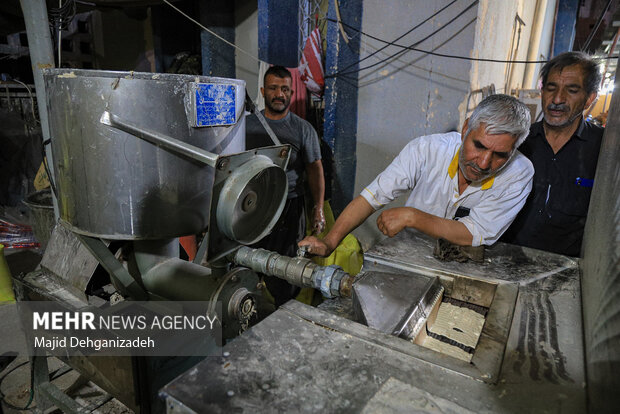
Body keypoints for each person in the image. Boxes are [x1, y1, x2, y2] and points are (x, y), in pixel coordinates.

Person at [299, 94, 533, 257]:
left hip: (466, 265)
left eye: (500, 155)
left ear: (513, 151)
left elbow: (476, 232)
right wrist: (329, 242)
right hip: (408, 256)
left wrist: (413, 217)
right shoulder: (427, 149)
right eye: (479, 146)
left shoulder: (519, 175)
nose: (483, 163)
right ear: (465, 128)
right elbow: (373, 196)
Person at [502, 52, 603, 257]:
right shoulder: (519, 140)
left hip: (565, 269)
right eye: (551, 88)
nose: (557, 99)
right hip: (505, 256)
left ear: (589, 99)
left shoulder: (603, 149)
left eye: (572, 90)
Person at [246, 66, 326, 306]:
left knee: (287, 270)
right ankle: (250, 308)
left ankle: (281, 312)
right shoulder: (247, 126)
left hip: (290, 208)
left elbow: (315, 170)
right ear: (263, 91)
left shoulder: (303, 129)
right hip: (252, 207)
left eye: (284, 89)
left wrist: (318, 209)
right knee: (248, 262)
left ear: (291, 93)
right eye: (273, 88)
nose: (279, 94)